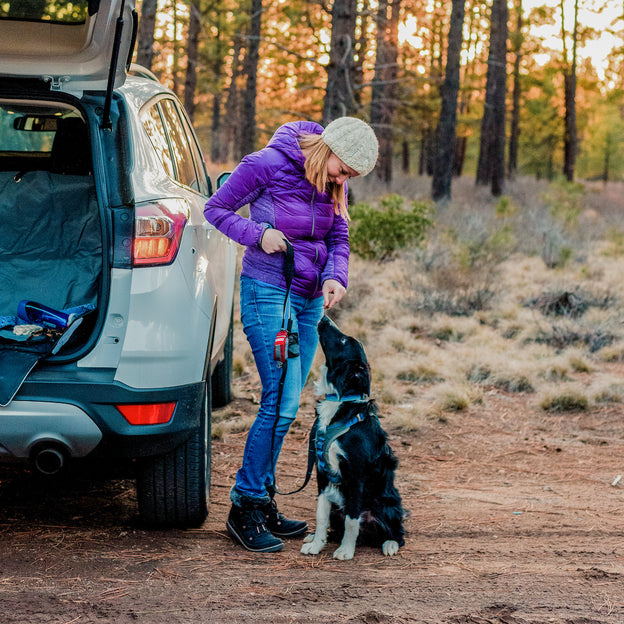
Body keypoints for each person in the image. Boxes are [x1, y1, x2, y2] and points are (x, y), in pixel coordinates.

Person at [204, 116, 378, 553]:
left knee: (285, 405)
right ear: (327, 149)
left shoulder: (330, 180)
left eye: (350, 178)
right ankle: (243, 506)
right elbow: (215, 210)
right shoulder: (264, 164)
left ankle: (260, 501)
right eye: (343, 171)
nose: (343, 180)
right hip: (268, 293)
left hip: (309, 300)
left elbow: (339, 234)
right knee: (278, 404)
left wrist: (337, 276)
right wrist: (259, 234)